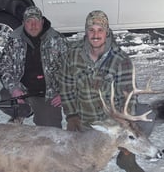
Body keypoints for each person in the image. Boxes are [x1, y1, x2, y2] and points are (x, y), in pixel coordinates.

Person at [59, 10, 147, 172]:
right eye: (91, 30)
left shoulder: (121, 59)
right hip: (84, 121)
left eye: (100, 30)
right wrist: (71, 116)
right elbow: (66, 86)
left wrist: (125, 127)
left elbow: (129, 97)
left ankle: (126, 159)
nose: (95, 34)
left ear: (107, 32)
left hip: (111, 123)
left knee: (144, 120)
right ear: (86, 32)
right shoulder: (72, 54)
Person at [0, 6, 68, 128]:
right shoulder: (14, 40)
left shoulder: (58, 40)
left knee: (50, 132)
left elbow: (71, 69)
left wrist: (64, 93)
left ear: (42, 22)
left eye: (36, 21)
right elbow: (4, 67)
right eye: (29, 21)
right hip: (22, 90)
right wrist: (14, 88)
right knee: (1, 97)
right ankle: (23, 110)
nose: (33, 25)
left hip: (47, 94)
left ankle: (32, 109)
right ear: (23, 23)